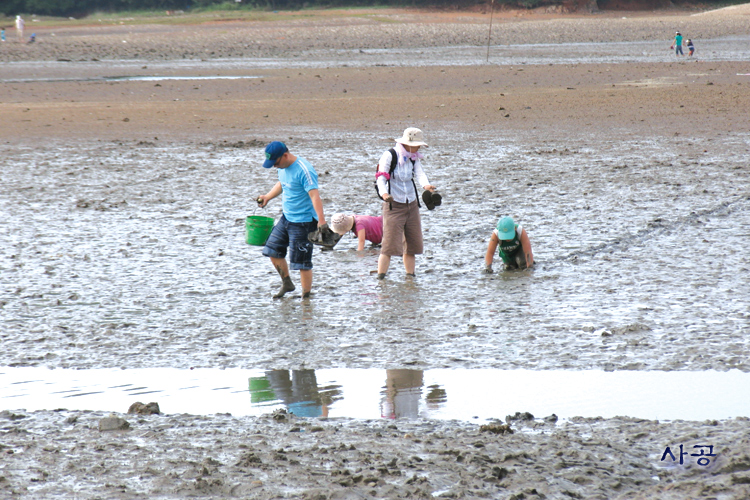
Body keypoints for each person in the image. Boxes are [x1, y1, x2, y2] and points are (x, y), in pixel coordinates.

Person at [256, 141, 329, 299]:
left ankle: (306, 298)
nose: (274, 166)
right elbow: (283, 183)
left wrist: (321, 222)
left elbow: (314, 196)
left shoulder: (305, 170)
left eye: (275, 163)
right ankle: (287, 283)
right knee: (272, 250)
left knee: (302, 263)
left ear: (285, 155)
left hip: (304, 222)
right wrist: (268, 196)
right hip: (287, 218)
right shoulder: (282, 168)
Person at [375, 127, 437, 279]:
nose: (418, 148)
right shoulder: (389, 155)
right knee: (389, 245)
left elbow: (420, 173)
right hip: (393, 204)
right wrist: (384, 194)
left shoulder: (413, 156)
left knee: (412, 244)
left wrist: (426, 186)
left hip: (412, 203)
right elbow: (381, 177)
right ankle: (381, 278)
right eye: (417, 145)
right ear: (407, 143)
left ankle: (410, 277)